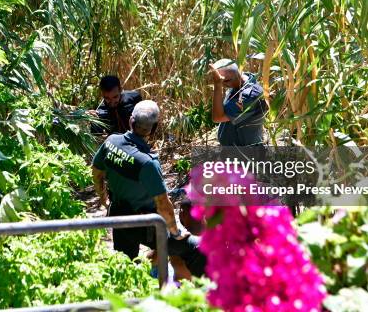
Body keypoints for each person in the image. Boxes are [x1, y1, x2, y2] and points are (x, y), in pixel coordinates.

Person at [91, 100, 206, 278]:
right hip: (146, 223)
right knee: (193, 248)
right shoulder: (147, 163)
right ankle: (177, 289)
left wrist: (104, 200)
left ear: (131, 121)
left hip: (118, 214)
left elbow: (97, 172)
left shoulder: (111, 142)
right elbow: (163, 205)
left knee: (125, 262)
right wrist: (175, 233)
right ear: (154, 128)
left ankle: (134, 290)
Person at [209, 59, 268, 146]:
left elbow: (218, 118)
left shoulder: (249, 96)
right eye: (220, 81)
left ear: (238, 73)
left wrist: (217, 85)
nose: (223, 84)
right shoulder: (238, 82)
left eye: (226, 81)